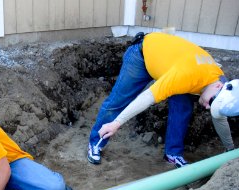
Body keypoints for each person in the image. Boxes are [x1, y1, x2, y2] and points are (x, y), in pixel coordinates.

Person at [87, 32, 238, 168]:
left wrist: (230, 149)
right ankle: (96, 142)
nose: (207, 108)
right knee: (118, 100)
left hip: (173, 65)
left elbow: (219, 117)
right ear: (218, 86)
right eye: (211, 103)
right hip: (142, 54)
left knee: (182, 108)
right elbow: (147, 97)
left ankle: (173, 154)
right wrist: (116, 123)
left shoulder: (219, 82)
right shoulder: (185, 76)